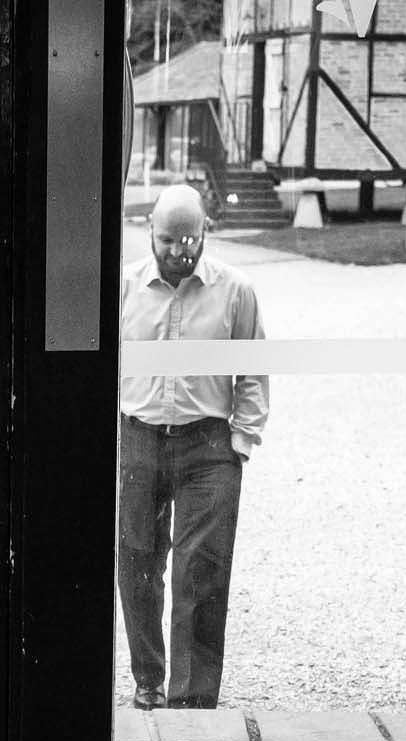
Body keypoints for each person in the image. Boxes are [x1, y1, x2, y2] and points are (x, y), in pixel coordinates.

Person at [117, 183, 270, 710]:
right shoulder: (125, 288)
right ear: (149, 232)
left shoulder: (236, 290)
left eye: (188, 239)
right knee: (138, 562)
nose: (178, 250)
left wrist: (242, 439)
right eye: (167, 240)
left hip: (209, 445)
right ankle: (148, 680)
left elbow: (253, 368)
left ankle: (193, 698)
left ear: (205, 230)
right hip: (140, 437)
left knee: (202, 569)